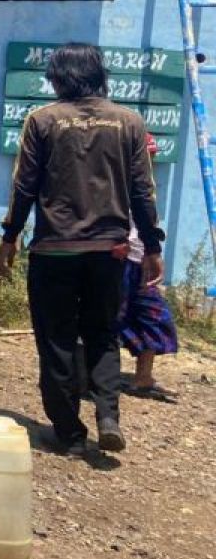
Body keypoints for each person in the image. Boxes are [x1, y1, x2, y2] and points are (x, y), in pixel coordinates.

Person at [0, 43, 164, 456]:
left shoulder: (43, 121)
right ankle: (107, 414)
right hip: (110, 250)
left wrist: (10, 236)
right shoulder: (129, 122)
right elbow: (143, 191)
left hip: (55, 248)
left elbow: (25, 186)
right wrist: (153, 247)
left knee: (56, 339)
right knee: (102, 333)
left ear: (60, 77)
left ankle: (70, 432)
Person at [116, 135, 179, 402]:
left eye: (152, 159)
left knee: (155, 316)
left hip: (143, 261)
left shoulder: (147, 188)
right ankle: (91, 377)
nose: (149, 164)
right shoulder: (117, 185)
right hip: (122, 261)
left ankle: (143, 377)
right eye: (146, 158)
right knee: (110, 319)